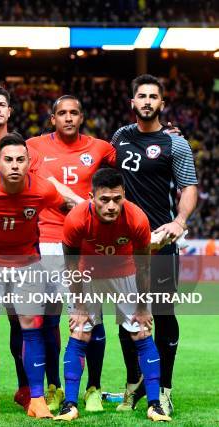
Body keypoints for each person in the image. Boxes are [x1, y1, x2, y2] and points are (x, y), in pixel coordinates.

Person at [0, 87, 84, 414]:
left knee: (22, 320)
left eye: (2, 104)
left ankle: (27, 389)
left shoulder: (28, 149)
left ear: (9, 111)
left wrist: (85, 205)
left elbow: (52, 188)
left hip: (22, 253)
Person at [111, 74, 198, 415]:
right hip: (123, 243)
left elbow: (188, 186)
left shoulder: (175, 143)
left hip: (160, 242)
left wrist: (179, 221)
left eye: (153, 97)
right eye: (141, 96)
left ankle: (163, 388)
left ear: (162, 104)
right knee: (125, 315)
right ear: (132, 102)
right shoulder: (119, 137)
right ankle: (134, 383)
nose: (147, 101)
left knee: (163, 313)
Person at [56, 168, 170, 422]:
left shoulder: (137, 219)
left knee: (141, 331)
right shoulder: (76, 219)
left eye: (117, 199)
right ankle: (70, 404)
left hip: (125, 272)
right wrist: (79, 306)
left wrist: (142, 307)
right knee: (80, 330)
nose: (111, 206)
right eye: (104, 199)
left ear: (124, 196)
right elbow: (72, 266)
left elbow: (143, 267)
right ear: (91, 197)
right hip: (87, 273)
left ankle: (154, 404)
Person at [25, 95, 116, 412]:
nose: (68, 117)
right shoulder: (33, 146)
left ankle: (93, 387)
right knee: (47, 320)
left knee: (93, 318)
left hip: (86, 246)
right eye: (61, 113)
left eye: (74, 113)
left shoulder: (101, 148)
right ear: (52, 118)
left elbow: (133, 163)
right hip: (47, 241)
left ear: (82, 117)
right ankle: (53, 387)